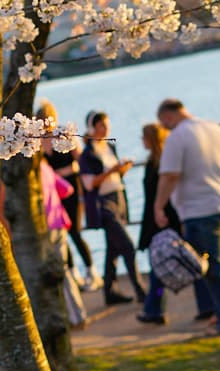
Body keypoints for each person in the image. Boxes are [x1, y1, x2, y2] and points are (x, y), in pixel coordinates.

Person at [154, 98, 220, 336]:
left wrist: (159, 206)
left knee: (213, 268)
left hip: (202, 209)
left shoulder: (177, 137)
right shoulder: (216, 128)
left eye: (164, 124)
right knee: (214, 263)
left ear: (169, 116)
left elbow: (170, 176)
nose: (165, 129)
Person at [136, 122, 215, 326]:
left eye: (143, 137)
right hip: (164, 217)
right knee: (183, 261)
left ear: (150, 139)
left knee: (162, 267)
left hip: (163, 219)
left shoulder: (160, 164)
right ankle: (203, 304)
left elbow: (163, 191)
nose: (141, 141)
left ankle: (155, 309)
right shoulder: (158, 162)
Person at [80, 110, 147, 306]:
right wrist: (112, 170)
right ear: (93, 128)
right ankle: (140, 290)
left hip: (118, 197)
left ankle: (110, 291)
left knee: (113, 249)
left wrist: (122, 170)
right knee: (127, 246)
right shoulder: (88, 155)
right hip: (104, 202)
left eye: (106, 124)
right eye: (101, 125)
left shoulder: (109, 147)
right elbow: (90, 184)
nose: (105, 128)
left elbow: (114, 176)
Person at [36, 102, 101, 292]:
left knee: (75, 232)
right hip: (53, 193)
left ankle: (91, 271)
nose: (44, 123)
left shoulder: (64, 134)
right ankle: (73, 274)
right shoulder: (37, 141)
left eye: (46, 118)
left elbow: (81, 161)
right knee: (61, 235)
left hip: (72, 188)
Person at [39, 156, 88, 329]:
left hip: (45, 227)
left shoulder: (31, 176)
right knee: (64, 269)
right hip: (59, 223)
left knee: (54, 273)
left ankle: (70, 317)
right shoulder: (46, 169)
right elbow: (67, 189)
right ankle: (77, 314)